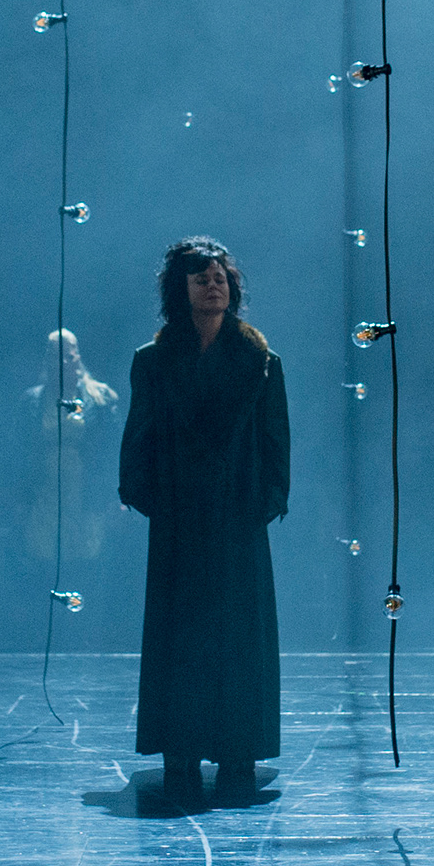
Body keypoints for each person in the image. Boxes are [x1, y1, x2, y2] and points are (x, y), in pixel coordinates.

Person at [118, 238, 292, 811]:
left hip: (239, 522)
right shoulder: (153, 360)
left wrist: (267, 501)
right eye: (201, 278)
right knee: (181, 638)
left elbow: (276, 441)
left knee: (239, 639)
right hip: (180, 524)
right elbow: (139, 437)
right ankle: (182, 754)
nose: (213, 285)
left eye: (220, 277)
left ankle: (239, 754)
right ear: (182, 288)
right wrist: (151, 498)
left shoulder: (261, 361)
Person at [19, 328, 125, 573]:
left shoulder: (100, 400)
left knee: (85, 561)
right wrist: (21, 500)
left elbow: (114, 451)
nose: (64, 362)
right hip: (45, 495)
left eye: (69, 355)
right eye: (57, 356)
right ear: (47, 360)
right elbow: (20, 453)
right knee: (44, 559)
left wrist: (115, 498)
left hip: (86, 496)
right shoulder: (32, 401)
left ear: (78, 358)